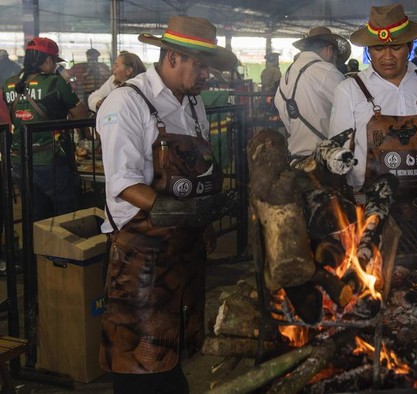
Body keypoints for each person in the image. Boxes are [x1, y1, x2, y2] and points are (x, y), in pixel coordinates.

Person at [95, 15, 239, 393]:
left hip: (183, 252)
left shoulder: (192, 105)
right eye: (200, 65)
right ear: (172, 57)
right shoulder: (127, 101)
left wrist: (203, 222)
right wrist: (185, 212)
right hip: (141, 257)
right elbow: (124, 183)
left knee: (174, 354)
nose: (206, 75)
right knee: (139, 361)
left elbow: (199, 170)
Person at [330, 3, 417, 200]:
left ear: (409, 47)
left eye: (396, 47)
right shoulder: (349, 91)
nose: (387, 56)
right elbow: (338, 154)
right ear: (369, 51)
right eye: (379, 48)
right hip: (369, 205)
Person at [2, 37, 88, 221]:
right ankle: (64, 249)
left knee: (35, 214)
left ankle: (36, 249)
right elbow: (81, 115)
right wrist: (65, 80)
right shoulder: (55, 83)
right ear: (49, 60)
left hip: (19, 161)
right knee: (67, 213)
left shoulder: (8, 84)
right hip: (51, 160)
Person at [274, 26, 350, 159]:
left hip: (295, 158)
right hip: (326, 161)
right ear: (329, 50)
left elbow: (286, 120)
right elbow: (351, 109)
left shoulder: (285, 77)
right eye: (335, 56)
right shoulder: (326, 71)